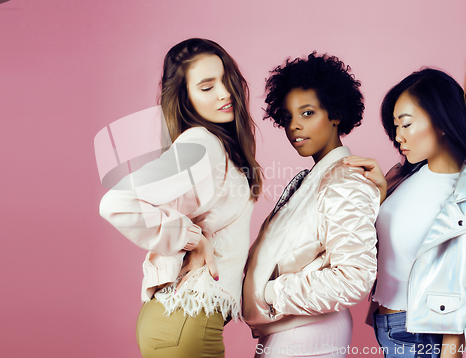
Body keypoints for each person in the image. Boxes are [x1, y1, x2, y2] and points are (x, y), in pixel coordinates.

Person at [99, 38, 263, 358]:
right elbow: (115, 203)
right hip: (186, 322)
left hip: (182, 321)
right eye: (206, 86)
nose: (224, 93)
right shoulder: (200, 145)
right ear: (185, 97)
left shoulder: (217, 144)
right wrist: (193, 239)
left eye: (226, 79)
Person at [243, 52, 379, 358]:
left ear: (335, 114)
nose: (294, 126)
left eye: (307, 113)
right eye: (288, 116)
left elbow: (353, 277)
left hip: (310, 334)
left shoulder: (345, 180)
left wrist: (268, 293)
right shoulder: (316, 178)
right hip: (291, 331)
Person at [344, 68, 466, 358]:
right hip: (386, 323)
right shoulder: (405, 174)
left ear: (441, 121)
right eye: (395, 126)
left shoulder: (460, 195)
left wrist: (451, 352)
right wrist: (382, 193)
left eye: (406, 124)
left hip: (423, 333)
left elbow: (461, 283)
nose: (398, 136)